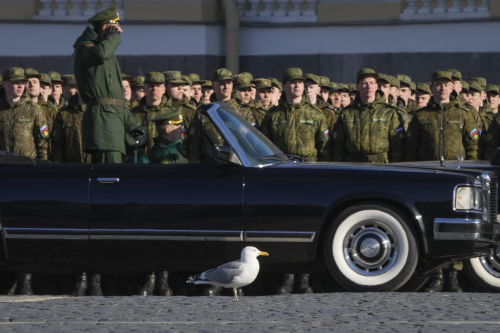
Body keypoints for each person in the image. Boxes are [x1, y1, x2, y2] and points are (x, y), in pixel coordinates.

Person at [260, 67, 331, 295]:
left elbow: (326, 150)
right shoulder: (273, 115)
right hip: (281, 176)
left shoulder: (316, 115)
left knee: (310, 227)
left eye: (300, 82)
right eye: (292, 82)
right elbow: (264, 148)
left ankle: (305, 277)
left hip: (309, 176)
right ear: (284, 86)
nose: (297, 86)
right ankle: (287, 277)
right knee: (285, 228)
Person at [73, 5, 145, 164]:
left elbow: (115, 99)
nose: (120, 32)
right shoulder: (86, 47)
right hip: (104, 124)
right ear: (106, 28)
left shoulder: (106, 53)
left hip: (114, 121)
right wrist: (112, 38)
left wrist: (132, 126)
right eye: (117, 28)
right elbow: (100, 54)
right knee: (109, 173)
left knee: (116, 170)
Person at [0, 67, 50, 295]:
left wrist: (42, 170)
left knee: (26, 225)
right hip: (3, 173)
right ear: (5, 84)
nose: (21, 86)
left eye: (22, 82)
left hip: (27, 173)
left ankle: (26, 277)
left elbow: (43, 143)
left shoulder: (34, 110)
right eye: (15, 82)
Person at [333, 68, 404, 163]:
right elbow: (338, 145)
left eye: (371, 83)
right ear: (357, 87)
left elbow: (398, 145)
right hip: (354, 165)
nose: (368, 86)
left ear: (376, 86)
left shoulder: (389, 112)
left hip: (381, 165)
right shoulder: (347, 113)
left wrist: (394, 169)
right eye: (364, 83)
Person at [131, 72, 174, 155]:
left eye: (158, 86)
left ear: (164, 89)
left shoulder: (171, 113)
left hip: (165, 161)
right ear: (144, 88)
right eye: (150, 86)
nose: (154, 89)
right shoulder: (133, 114)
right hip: (140, 162)